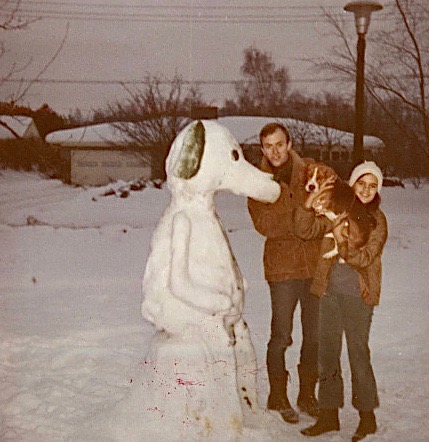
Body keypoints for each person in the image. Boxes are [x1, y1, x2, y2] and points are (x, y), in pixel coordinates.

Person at [293, 161, 388, 441]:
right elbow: (304, 228)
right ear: (352, 183)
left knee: (358, 354)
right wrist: (310, 200)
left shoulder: (376, 220)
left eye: (373, 186)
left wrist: (340, 239)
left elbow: (365, 257)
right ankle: (328, 415)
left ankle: (367, 418)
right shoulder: (337, 209)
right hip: (329, 293)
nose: (367, 190)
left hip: (359, 296)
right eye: (362, 183)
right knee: (327, 355)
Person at [247, 123, 322, 424]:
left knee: (315, 337)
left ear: (289, 143)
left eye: (279, 144)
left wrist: (313, 219)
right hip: (282, 270)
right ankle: (278, 396)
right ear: (262, 148)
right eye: (268, 146)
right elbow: (265, 225)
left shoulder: (313, 173)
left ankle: (307, 395)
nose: (275, 151)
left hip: (315, 267)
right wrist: (303, 215)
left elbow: (330, 210)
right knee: (281, 335)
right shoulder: (258, 182)